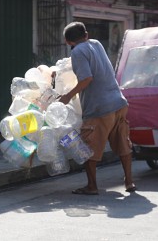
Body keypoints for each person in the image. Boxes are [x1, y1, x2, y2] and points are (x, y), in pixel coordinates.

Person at [58, 21, 136, 195]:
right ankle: (129, 182)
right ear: (86, 35)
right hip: (119, 102)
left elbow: (86, 79)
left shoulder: (77, 52)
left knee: (89, 148)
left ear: (67, 41)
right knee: (123, 143)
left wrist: (67, 96)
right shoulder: (96, 44)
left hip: (100, 107)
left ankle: (92, 186)